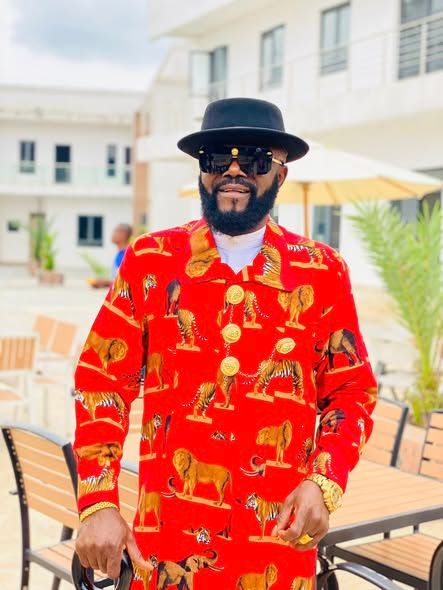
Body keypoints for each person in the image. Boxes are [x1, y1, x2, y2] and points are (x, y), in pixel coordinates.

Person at [74, 98, 377, 589]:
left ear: (280, 175)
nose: (233, 172)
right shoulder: (151, 260)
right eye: (217, 159)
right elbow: (101, 382)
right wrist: (98, 501)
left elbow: (352, 391)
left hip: (276, 543)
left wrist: (324, 482)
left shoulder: (322, 271)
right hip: (167, 543)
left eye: (255, 159)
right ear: (202, 170)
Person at [89, 223, 133, 288]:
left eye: (115, 231)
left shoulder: (125, 255)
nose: (113, 234)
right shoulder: (121, 253)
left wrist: (106, 282)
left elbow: (127, 282)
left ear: (123, 234)